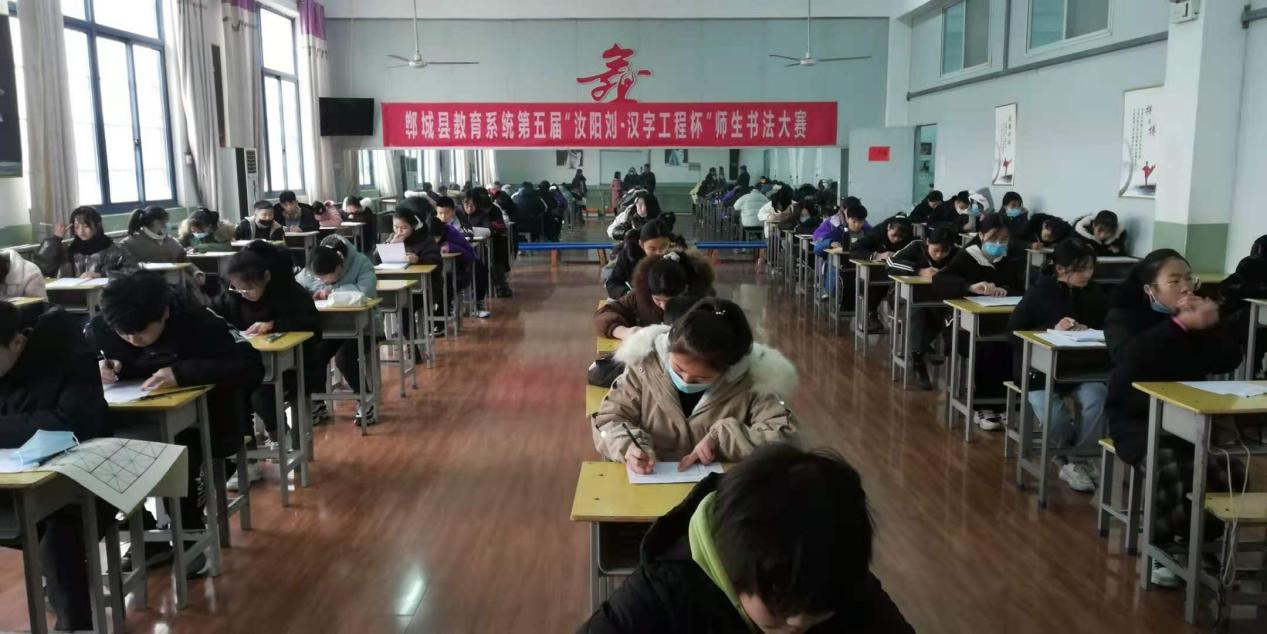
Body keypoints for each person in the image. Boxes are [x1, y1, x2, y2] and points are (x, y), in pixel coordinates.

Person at [582, 444, 913, 634]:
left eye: (815, 615)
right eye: (780, 611)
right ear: (734, 571)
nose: (797, 624)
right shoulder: (660, 598)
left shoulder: (833, 575)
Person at [90, 270, 263, 572]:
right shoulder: (103, 325)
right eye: (124, 334)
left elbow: (250, 366)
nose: (133, 341)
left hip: (205, 420)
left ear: (165, 313)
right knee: (98, 462)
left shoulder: (201, 322)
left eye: (142, 333)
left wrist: (182, 373)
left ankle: (188, 534)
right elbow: (79, 363)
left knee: (181, 456)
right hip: (131, 419)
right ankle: (148, 539)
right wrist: (99, 366)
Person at [1104, 249, 1243, 587]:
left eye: (1188, 278)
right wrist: (1178, 325)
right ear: (1150, 289)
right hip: (1138, 420)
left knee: (1229, 471)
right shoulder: (1124, 317)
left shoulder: (1197, 316)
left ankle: (1202, 545)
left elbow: (1228, 360)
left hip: (1190, 419)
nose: (1185, 287)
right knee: (1170, 467)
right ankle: (1162, 549)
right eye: (1174, 281)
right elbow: (1131, 356)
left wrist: (1212, 326)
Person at [0, 301, 110, 631]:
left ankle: (76, 626)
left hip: (82, 478)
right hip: (14, 482)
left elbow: (73, 424)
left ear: (17, 342)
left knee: (59, 537)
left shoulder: (67, 351)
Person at [592, 298, 800, 471]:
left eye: (701, 379)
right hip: (649, 485)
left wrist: (725, 438)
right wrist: (628, 446)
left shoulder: (752, 382)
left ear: (729, 369)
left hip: (720, 493)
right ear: (669, 348)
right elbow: (609, 420)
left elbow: (787, 438)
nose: (686, 380)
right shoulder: (644, 365)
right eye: (678, 369)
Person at [212, 241, 322, 486]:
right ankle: (246, 462)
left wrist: (274, 324)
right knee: (230, 397)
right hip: (247, 366)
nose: (243, 293)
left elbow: (312, 326)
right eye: (237, 287)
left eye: (249, 288)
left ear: (266, 277)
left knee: (260, 395)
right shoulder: (231, 297)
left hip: (292, 367)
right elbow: (214, 320)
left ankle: (280, 435)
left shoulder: (291, 293)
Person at [1008, 239, 1109, 492]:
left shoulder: (1095, 293)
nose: (1088, 274)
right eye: (1081, 269)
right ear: (1061, 269)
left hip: (1081, 368)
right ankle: (1066, 457)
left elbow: (1108, 327)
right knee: (1057, 419)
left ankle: (1078, 459)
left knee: (1098, 396)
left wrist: (1090, 330)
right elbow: (1014, 332)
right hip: (1039, 372)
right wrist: (1051, 330)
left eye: (1090, 268)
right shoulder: (1040, 292)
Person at [931, 212, 1024, 419]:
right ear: (981, 236)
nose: (998, 244)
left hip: (1000, 322)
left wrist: (1005, 290)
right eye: (993, 238)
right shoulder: (967, 256)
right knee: (986, 347)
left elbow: (1023, 289)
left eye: (1004, 239)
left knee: (1014, 344)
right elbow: (939, 281)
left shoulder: (1012, 258)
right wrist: (969, 287)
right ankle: (984, 405)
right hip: (961, 325)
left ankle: (1007, 404)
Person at [296, 235, 380, 424]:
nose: (323, 281)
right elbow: (297, 289)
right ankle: (317, 404)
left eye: (326, 277)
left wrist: (333, 292)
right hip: (329, 327)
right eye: (319, 277)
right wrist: (311, 294)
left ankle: (365, 401)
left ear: (339, 266)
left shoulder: (361, 263)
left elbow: (366, 293)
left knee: (344, 358)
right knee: (314, 354)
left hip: (365, 326)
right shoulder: (315, 264)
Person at [884, 227, 961, 389]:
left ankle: (926, 346)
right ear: (927, 243)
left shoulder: (957, 253)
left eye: (945, 251)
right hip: (903, 297)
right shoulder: (916, 247)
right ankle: (918, 361)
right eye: (936, 250)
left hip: (937, 300)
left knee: (949, 313)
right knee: (918, 312)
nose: (939, 255)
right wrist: (919, 270)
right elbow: (890, 263)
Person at [596, 250, 715, 340]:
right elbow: (604, 314)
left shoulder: (703, 302)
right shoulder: (640, 296)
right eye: (657, 299)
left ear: (685, 290)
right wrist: (624, 332)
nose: (663, 306)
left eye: (671, 301)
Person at [35, 206, 139, 279]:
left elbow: (134, 272)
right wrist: (56, 238)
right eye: (76, 227)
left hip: (104, 298)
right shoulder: (68, 251)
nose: (81, 231)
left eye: (86, 226)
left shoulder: (116, 250)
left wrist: (102, 275)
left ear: (97, 225)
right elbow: (43, 268)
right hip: (71, 298)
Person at [435, 197, 491, 317]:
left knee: (479, 268)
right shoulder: (433, 225)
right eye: (440, 213)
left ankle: (477, 304)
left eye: (446, 213)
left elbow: (467, 244)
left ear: (453, 211)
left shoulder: (459, 223)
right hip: (440, 265)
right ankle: (445, 308)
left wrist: (451, 246)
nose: (443, 217)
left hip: (461, 260)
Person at [607, 219, 673, 300]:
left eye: (664, 246)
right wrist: (627, 293)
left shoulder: (677, 256)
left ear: (670, 242)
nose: (659, 253)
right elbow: (612, 283)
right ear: (641, 245)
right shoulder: (628, 256)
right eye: (652, 249)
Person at [464, 187, 512, 297]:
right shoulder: (460, 213)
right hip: (477, 244)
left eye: (473, 205)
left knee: (493, 259)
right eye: (467, 204)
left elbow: (495, 227)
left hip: (494, 241)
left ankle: (499, 286)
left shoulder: (488, 212)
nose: (470, 207)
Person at [120, 206, 187, 264]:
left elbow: (183, 258)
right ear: (155, 221)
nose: (168, 224)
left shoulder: (170, 240)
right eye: (166, 220)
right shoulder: (129, 243)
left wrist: (196, 272)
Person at [849, 215, 913, 263]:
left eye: (901, 237)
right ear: (888, 227)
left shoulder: (909, 239)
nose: (896, 239)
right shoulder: (874, 234)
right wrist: (877, 256)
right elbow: (853, 250)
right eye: (894, 235)